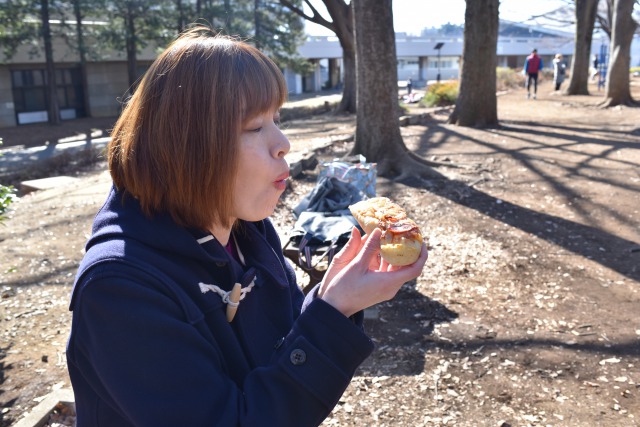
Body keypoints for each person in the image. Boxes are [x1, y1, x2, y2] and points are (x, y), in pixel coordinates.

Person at [66, 26, 428, 426]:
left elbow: (282, 356)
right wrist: (334, 309)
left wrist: (333, 301)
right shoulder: (119, 289)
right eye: (255, 127)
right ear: (187, 145)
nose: (283, 142)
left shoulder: (246, 230)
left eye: (276, 118)